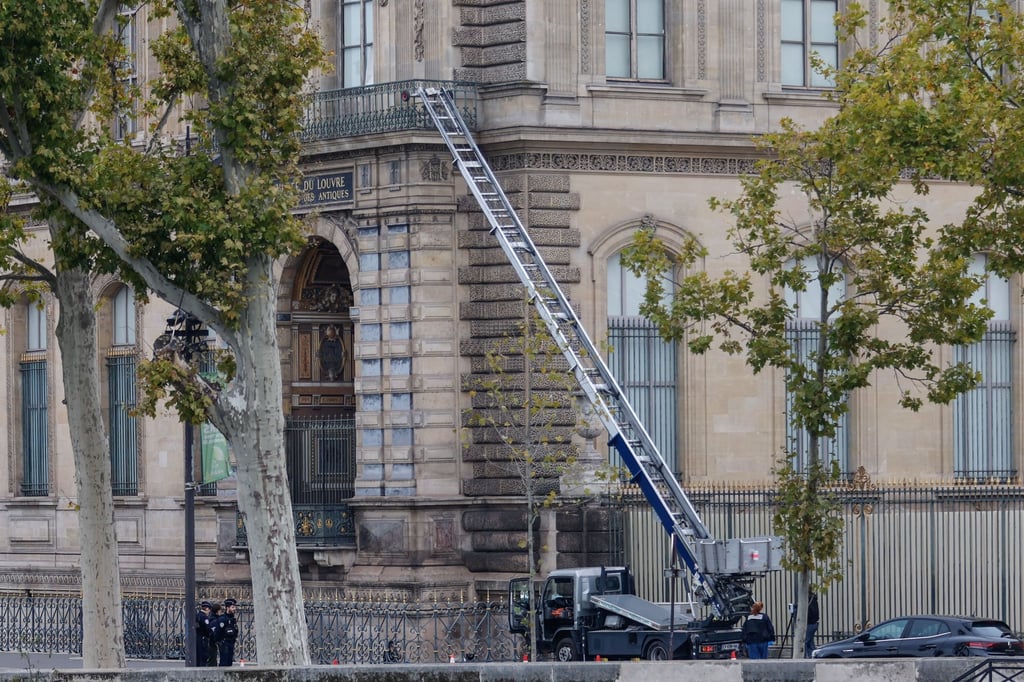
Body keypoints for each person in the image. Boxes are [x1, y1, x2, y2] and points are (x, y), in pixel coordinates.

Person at [215, 598, 240, 666]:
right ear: (227, 608)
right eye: (232, 607)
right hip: (224, 643)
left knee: (229, 663)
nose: (234, 609)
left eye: (234, 607)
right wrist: (220, 642)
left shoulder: (232, 619)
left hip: (231, 643)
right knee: (224, 663)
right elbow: (218, 632)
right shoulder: (223, 619)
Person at [195, 601, 213, 667]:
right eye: (209, 610)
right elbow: (208, 628)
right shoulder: (204, 617)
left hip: (197, 637)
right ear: (207, 609)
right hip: (203, 639)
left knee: (198, 656)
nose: (209, 612)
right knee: (203, 656)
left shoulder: (197, 615)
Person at [206, 602, 223, 667]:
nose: (221, 612)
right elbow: (214, 633)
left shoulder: (212, 618)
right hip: (211, 643)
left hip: (211, 643)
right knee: (212, 660)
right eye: (220, 610)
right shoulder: (214, 620)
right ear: (217, 611)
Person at [804, 591, 820, 658]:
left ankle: (804, 657)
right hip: (813, 623)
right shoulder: (813, 599)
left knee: (805, 642)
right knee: (810, 643)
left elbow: (812, 613)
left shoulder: (810, 600)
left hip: (810, 623)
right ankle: (813, 656)